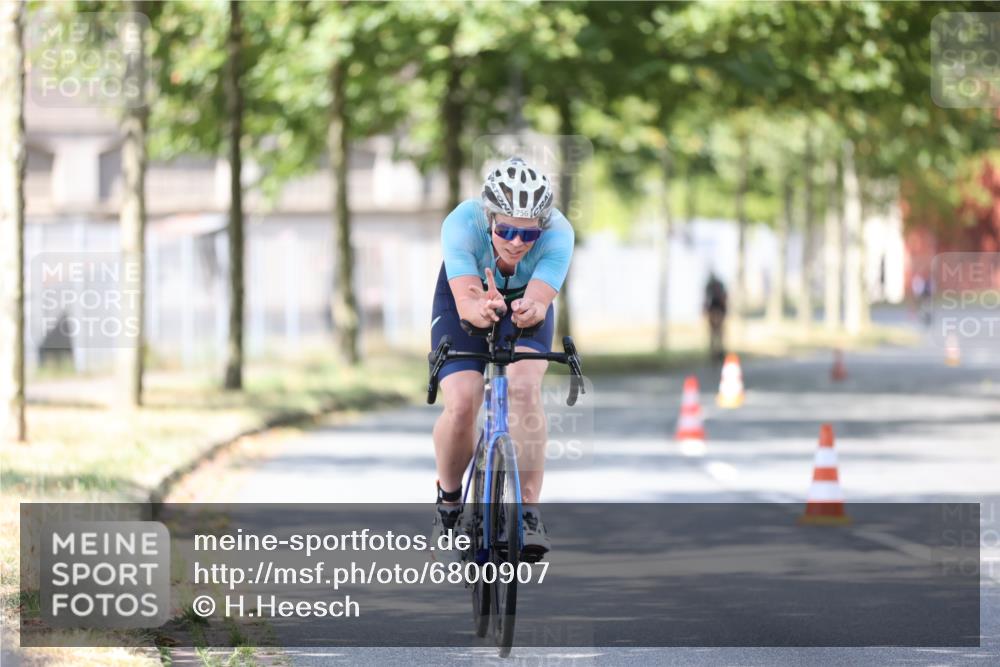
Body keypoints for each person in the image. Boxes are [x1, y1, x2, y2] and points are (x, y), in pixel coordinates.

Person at [429, 157, 574, 562]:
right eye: (505, 230)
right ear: (489, 217)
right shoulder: (461, 223)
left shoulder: (560, 232)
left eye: (528, 234)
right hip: (468, 295)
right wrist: (480, 307)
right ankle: (449, 498)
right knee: (462, 400)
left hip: (525, 301)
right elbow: (466, 304)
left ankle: (529, 513)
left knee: (525, 389)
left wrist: (530, 309)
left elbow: (541, 301)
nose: (515, 242)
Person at [704, 272, 728, 362]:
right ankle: (717, 351)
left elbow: (706, 299)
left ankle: (716, 351)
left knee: (715, 332)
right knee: (717, 331)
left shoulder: (710, 285)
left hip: (715, 309)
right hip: (718, 309)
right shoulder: (717, 285)